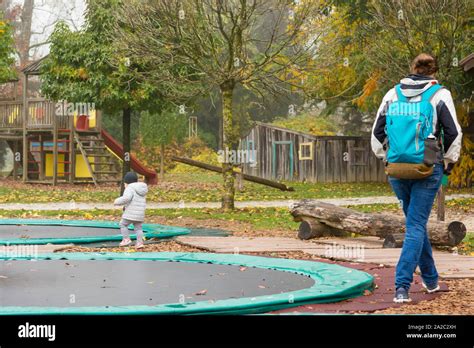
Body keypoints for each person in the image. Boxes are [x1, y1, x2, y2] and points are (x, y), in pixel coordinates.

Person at [371, 53, 462, 303]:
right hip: (426, 167)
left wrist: (386, 158)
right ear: (434, 72)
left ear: (412, 68)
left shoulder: (392, 94)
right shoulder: (440, 95)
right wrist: (448, 163)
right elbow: (453, 133)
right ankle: (401, 286)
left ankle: (431, 280)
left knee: (415, 223)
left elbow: (377, 133)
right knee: (415, 225)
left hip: (397, 169)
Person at [114, 171, 149, 249]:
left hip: (130, 213)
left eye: (124, 184)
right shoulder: (141, 189)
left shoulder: (129, 188)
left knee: (123, 224)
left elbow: (126, 198)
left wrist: (117, 201)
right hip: (140, 214)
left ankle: (126, 239)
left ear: (127, 182)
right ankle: (139, 243)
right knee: (138, 228)